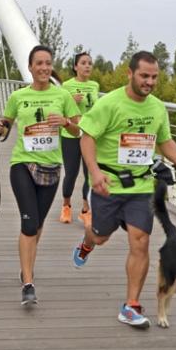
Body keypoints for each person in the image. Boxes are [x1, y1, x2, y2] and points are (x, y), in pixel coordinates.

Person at [71, 51, 176, 329]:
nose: (150, 82)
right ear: (129, 74)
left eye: (154, 77)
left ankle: (131, 305)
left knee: (140, 241)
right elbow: (87, 137)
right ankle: (87, 243)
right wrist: (95, 173)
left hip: (141, 185)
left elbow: (164, 141)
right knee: (101, 236)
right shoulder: (110, 104)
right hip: (108, 185)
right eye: (144, 76)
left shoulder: (157, 108)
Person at [0, 45, 80, 305]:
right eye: (38, 63)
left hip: (51, 168)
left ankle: (26, 266)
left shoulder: (62, 95)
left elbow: (79, 131)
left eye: (48, 63)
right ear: (29, 67)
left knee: (38, 225)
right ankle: (28, 282)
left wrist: (66, 123)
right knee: (29, 224)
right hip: (22, 164)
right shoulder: (18, 97)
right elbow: (5, 127)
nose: (43, 68)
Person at [58, 52, 99, 227]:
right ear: (75, 67)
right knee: (71, 173)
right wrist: (71, 102)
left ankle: (85, 210)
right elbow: (58, 108)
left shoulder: (95, 85)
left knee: (89, 173)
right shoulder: (66, 86)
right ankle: (66, 206)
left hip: (89, 134)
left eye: (90, 63)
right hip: (71, 135)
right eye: (83, 63)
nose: (87, 66)